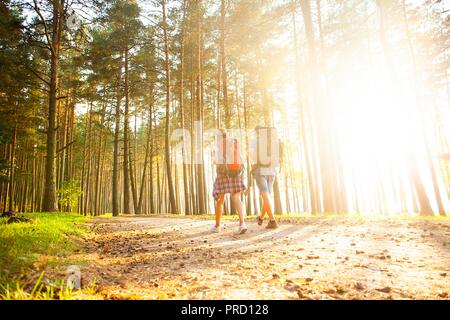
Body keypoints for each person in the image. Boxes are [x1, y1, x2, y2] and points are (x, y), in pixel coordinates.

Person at [212, 129, 248, 234]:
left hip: (223, 174)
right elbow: (241, 159)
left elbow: (215, 161)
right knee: (236, 197)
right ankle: (242, 224)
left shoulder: (218, 146)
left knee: (220, 199)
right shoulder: (233, 143)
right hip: (236, 173)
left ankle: (217, 226)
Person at [250, 126, 281, 229]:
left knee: (265, 195)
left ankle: (272, 221)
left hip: (260, 170)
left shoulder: (255, 142)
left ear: (257, 132)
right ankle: (261, 218)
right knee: (266, 196)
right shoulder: (273, 142)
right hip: (272, 171)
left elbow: (253, 157)